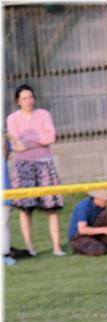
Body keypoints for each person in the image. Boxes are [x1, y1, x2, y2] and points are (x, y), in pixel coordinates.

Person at [6, 84, 65, 257]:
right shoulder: (12, 118)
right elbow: (17, 145)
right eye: (24, 98)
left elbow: (51, 137)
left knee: (51, 207)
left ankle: (56, 247)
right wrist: (37, 140)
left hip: (44, 163)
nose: (28, 101)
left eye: (30, 97)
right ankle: (30, 247)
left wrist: (29, 140)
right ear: (18, 101)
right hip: (23, 165)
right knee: (25, 209)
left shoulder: (44, 114)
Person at [67, 189, 107, 256]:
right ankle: (96, 247)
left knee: (106, 214)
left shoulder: (101, 208)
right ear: (98, 198)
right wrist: (105, 230)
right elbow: (82, 230)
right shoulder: (84, 207)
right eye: (106, 200)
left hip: (92, 235)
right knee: (99, 250)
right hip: (78, 238)